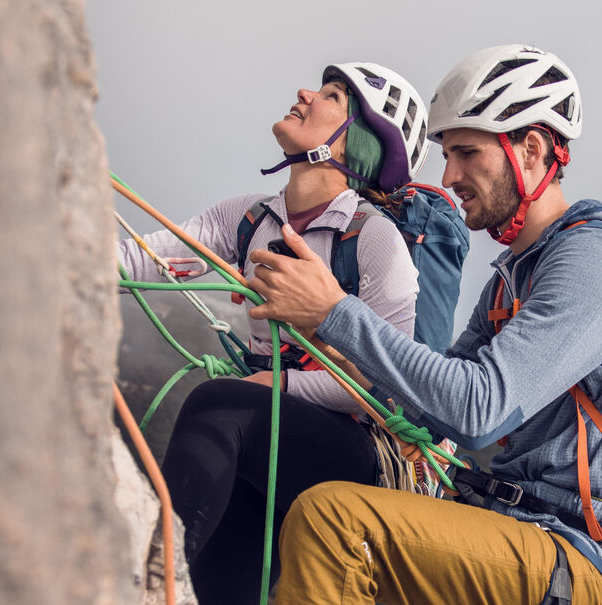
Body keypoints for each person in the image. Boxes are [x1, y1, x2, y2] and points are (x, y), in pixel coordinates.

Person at [247, 44, 602, 604]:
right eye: (447, 155)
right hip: (511, 531)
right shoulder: (510, 279)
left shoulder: (599, 258)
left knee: (336, 523)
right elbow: (429, 405)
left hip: (581, 559)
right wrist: (325, 340)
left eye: (467, 153)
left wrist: (335, 313)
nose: (449, 176)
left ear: (533, 148)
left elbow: (476, 410)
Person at [117, 61, 431, 604]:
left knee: (222, 407)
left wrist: (275, 386)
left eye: (330, 95)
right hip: (267, 433)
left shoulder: (376, 242)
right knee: (222, 580)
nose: (304, 93)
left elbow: (385, 384)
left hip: (360, 454)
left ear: (353, 141)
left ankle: (148, 579)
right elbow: (139, 261)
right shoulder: (246, 219)